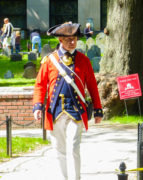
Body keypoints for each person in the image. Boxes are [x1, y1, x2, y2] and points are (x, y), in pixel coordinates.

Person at [32, 22, 103, 180]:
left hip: (76, 111)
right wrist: (37, 106)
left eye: (75, 38)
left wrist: (98, 109)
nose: (73, 42)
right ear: (60, 40)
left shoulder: (84, 60)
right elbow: (40, 85)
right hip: (55, 111)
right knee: (59, 150)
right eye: (69, 39)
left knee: (73, 147)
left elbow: (92, 86)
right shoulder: (50, 60)